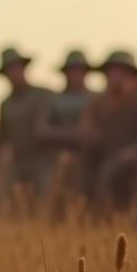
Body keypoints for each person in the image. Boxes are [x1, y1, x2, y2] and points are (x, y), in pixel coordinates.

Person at [0, 47, 55, 200]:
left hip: (43, 159)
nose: (14, 73)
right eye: (10, 70)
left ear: (23, 69)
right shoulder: (6, 105)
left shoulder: (43, 95)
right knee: (10, 198)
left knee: (45, 195)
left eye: (16, 68)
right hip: (18, 161)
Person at [83, 50, 137, 212]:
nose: (115, 76)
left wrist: (133, 151)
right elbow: (89, 129)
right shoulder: (99, 102)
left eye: (120, 71)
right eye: (111, 71)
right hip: (107, 155)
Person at [36, 50, 95, 201]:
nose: (75, 74)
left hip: (89, 156)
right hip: (56, 156)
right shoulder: (53, 100)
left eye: (79, 70)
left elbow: (97, 131)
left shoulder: (95, 99)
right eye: (72, 70)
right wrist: (70, 134)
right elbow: (42, 130)